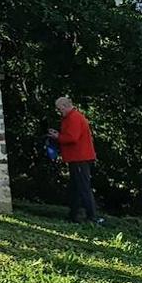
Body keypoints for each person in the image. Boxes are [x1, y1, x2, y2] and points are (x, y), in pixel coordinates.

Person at [48, 96, 104, 225]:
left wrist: (58, 137)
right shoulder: (72, 117)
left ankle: (92, 217)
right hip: (77, 158)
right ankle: (74, 215)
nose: (58, 111)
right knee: (75, 187)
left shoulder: (74, 118)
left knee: (83, 187)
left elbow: (72, 138)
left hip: (80, 158)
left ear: (65, 106)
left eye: (59, 108)